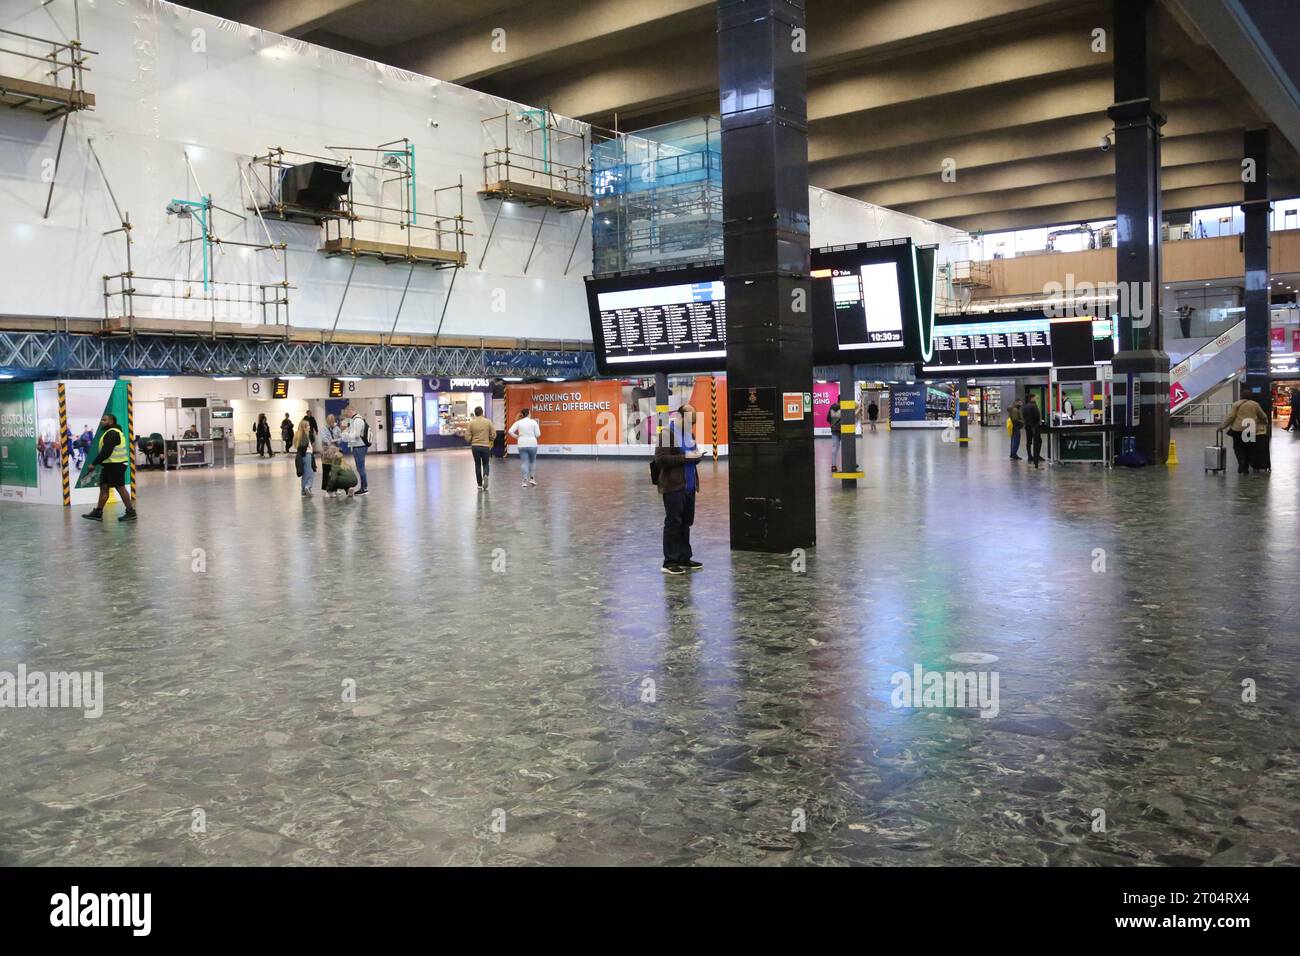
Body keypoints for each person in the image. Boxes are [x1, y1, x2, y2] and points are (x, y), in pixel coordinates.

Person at [655, 403, 704, 575]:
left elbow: (692, 457)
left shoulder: (689, 434)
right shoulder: (667, 434)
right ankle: (670, 561)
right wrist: (685, 457)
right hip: (674, 486)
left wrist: (696, 457)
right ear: (679, 417)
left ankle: (684, 557)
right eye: (689, 421)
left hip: (689, 486)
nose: (691, 425)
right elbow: (660, 459)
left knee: (685, 523)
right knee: (673, 522)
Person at [81, 413, 137, 522]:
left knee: (120, 487)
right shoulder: (109, 432)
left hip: (117, 465)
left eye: (104, 420)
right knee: (104, 487)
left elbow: (106, 452)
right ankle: (98, 512)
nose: (102, 421)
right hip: (109, 465)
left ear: (111, 422)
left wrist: (94, 463)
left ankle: (131, 512)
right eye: (102, 419)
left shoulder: (113, 433)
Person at [1220, 393, 1270, 474]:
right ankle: (1247, 464)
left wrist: (1222, 426)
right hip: (1250, 429)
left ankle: (1242, 464)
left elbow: (1231, 417)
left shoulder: (1236, 404)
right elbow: (1263, 416)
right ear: (1250, 397)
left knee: (1238, 448)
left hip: (1238, 430)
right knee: (1249, 448)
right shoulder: (1255, 404)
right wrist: (1265, 422)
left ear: (1241, 397)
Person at [507, 408, 542, 486]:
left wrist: (517, 437)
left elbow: (510, 431)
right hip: (532, 444)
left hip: (521, 443)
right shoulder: (533, 422)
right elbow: (538, 434)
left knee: (524, 462)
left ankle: (524, 481)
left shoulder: (518, 422)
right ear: (529, 413)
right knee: (532, 461)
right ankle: (532, 479)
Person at [341, 405, 370, 496]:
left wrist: (345, 435)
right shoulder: (355, 420)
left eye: (347, 414)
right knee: (360, 468)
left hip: (359, 447)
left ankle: (364, 488)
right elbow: (353, 433)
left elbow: (356, 435)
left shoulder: (357, 420)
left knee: (361, 468)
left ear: (350, 411)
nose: (347, 416)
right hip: (358, 447)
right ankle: (364, 487)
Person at [466, 406, 495, 490]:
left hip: (475, 446)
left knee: (477, 464)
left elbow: (467, 436)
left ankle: (479, 484)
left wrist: (472, 439)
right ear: (482, 412)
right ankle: (485, 474)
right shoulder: (488, 422)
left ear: (475, 413)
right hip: (485, 446)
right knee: (486, 463)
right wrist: (490, 438)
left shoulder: (471, 423)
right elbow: (493, 434)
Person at [319, 414, 342, 495]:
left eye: (332, 422)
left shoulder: (337, 428)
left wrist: (336, 440)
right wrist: (330, 441)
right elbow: (324, 438)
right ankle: (326, 489)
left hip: (335, 451)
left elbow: (340, 439)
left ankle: (336, 488)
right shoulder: (323, 428)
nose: (331, 423)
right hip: (326, 452)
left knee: (336, 470)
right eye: (329, 422)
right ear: (327, 421)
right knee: (326, 470)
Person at [293, 418, 316, 497]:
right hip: (307, 455)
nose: (310, 427)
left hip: (302, 456)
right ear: (304, 427)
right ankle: (307, 487)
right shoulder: (304, 436)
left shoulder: (299, 435)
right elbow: (304, 446)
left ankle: (304, 491)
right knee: (309, 473)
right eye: (308, 426)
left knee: (306, 473)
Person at [1022, 393, 1044, 466]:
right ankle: (1037, 456)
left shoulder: (1024, 407)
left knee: (1029, 442)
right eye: (1034, 397)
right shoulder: (1034, 406)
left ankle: (1029, 456)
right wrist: (1038, 422)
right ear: (1031, 398)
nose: (1035, 399)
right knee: (1038, 441)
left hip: (1027, 426)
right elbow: (1037, 416)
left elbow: (1024, 416)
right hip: (1034, 426)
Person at [827, 402, 842, 472]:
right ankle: (850, 464)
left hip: (834, 430)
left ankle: (833, 465)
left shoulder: (831, 408)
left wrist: (833, 425)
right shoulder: (844, 407)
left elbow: (827, 418)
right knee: (847, 447)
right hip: (843, 430)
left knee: (834, 448)